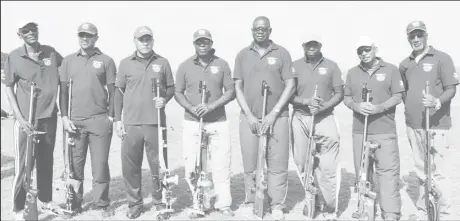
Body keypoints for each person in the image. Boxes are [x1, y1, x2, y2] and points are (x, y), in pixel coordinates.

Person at [233, 16, 296, 220]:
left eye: (264, 28)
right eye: (256, 28)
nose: (260, 31)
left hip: (278, 117)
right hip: (249, 117)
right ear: (252, 30)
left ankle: (277, 204)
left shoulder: (282, 53)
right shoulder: (242, 55)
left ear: (270, 30)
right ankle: (252, 201)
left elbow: (290, 85)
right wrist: (250, 115)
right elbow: (237, 87)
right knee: (251, 162)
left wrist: (274, 112)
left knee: (277, 162)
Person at [399, 21, 459, 221]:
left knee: (438, 171)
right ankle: (424, 209)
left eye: (419, 35)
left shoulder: (442, 58)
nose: (416, 39)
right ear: (408, 38)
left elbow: (451, 88)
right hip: (413, 125)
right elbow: (406, 90)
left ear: (426, 36)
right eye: (412, 36)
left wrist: (436, 101)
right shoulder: (405, 64)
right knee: (420, 170)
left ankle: (445, 213)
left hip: (437, 125)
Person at [4, 21, 63, 220]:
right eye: (26, 31)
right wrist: (19, 117)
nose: (31, 33)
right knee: (24, 165)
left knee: (46, 162)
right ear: (19, 34)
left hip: (49, 117)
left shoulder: (51, 53)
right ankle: (18, 208)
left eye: (33, 29)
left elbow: (68, 70)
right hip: (26, 121)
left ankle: (46, 202)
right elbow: (9, 88)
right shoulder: (14, 56)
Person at [114, 26, 175, 219]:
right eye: (141, 39)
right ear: (135, 41)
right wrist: (117, 119)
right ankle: (135, 204)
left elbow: (171, 88)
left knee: (159, 165)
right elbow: (118, 92)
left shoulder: (162, 62)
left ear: (153, 40)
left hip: (155, 123)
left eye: (148, 39)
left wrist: (164, 99)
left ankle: (160, 201)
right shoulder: (125, 63)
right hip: (131, 123)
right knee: (130, 166)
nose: (145, 42)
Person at [174, 29, 236, 218]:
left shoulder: (222, 64)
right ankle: (199, 202)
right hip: (193, 122)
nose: (202, 44)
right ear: (194, 44)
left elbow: (230, 91)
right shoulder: (184, 66)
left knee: (221, 164)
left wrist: (211, 106)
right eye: (199, 41)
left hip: (218, 122)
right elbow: (178, 92)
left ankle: (223, 203)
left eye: (206, 41)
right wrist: (192, 108)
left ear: (211, 43)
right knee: (193, 166)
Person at [58, 22, 116, 217]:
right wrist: (65, 117)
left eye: (89, 35)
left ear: (96, 38)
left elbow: (113, 90)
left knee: (100, 165)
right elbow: (64, 92)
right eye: (82, 35)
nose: (85, 38)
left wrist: (111, 116)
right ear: (78, 37)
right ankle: (74, 203)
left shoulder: (106, 60)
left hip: (99, 120)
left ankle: (101, 204)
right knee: (75, 165)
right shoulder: (67, 61)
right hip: (75, 121)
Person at [343, 36, 404, 221]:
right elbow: (347, 98)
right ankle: (365, 211)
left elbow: (398, 96)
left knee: (387, 173)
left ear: (374, 49)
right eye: (360, 50)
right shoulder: (352, 72)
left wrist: (379, 108)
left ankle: (391, 214)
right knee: (362, 173)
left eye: (367, 49)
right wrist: (356, 106)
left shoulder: (391, 70)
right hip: (360, 131)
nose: (364, 53)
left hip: (385, 130)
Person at [290, 34, 343, 220]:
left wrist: (323, 106)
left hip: (324, 117)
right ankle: (311, 198)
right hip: (301, 118)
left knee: (327, 165)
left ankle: (330, 207)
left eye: (315, 44)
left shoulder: (332, 66)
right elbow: (288, 95)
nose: (311, 47)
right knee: (301, 161)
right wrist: (305, 102)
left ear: (320, 45)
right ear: (303, 45)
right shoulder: (294, 65)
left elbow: (339, 93)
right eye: (308, 44)